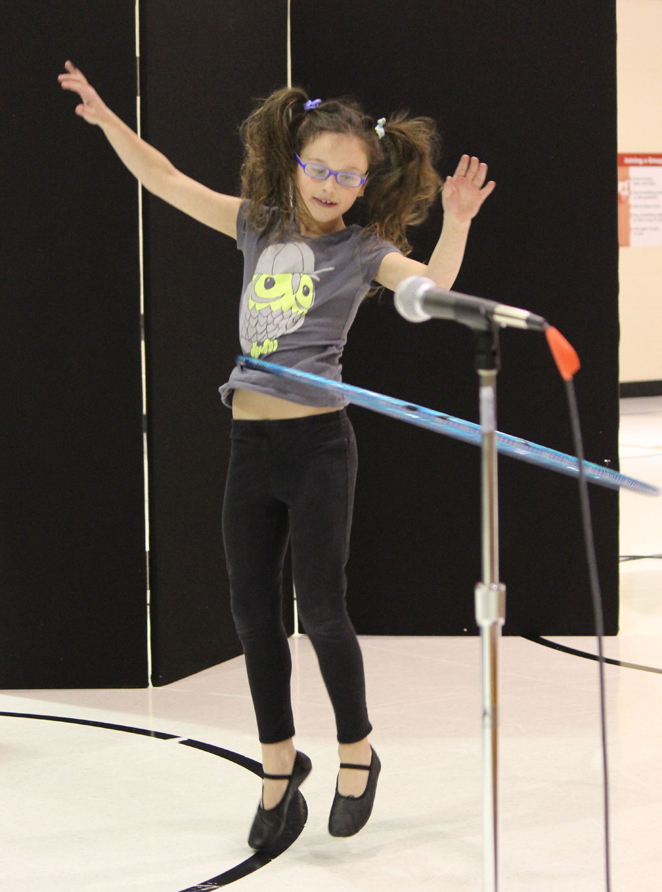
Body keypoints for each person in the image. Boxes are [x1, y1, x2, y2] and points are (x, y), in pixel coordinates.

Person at [59, 60, 495, 849]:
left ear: (366, 185)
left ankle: (358, 752)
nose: (331, 185)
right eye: (320, 168)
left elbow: (428, 292)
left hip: (318, 445)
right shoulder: (258, 224)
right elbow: (164, 179)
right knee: (252, 613)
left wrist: (457, 222)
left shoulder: (364, 250)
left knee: (322, 611)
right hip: (249, 442)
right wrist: (105, 119)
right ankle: (277, 764)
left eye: (349, 177)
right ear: (296, 163)